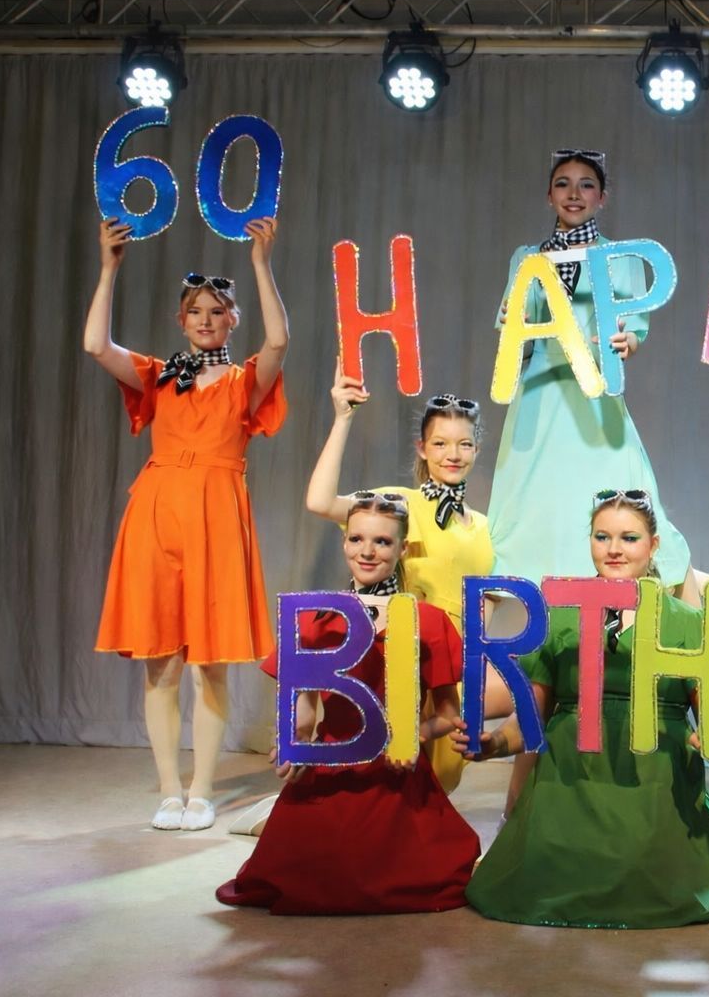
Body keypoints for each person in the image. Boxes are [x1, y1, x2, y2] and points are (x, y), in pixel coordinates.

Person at [85, 216, 288, 831]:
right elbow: (96, 346)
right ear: (181, 320)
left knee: (211, 664)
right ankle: (169, 791)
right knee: (161, 663)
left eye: (216, 311)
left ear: (232, 320)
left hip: (216, 521)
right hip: (157, 515)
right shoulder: (158, 376)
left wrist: (260, 264)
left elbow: (279, 342)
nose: (205, 319)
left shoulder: (243, 382)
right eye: (195, 311)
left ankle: (202, 792)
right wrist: (109, 268)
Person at [458, 489, 709, 928]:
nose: (614, 549)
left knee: (649, 880)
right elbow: (532, 716)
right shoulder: (557, 616)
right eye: (602, 536)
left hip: (653, 781)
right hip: (571, 777)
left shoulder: (688, 622)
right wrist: (494, 743)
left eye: (629, 538)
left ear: (654, 545)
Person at [216, 493, 479, 914]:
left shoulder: (428, 621)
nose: (367, 551)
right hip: (331, 764)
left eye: (382, 541)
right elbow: (304, 709)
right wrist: (295, 745)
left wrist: (410, 738)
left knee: (409, 878)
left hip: (395, 770)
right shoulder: (313, 619)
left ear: (402, 549)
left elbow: (449, 715)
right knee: (304, 878)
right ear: (344, 543)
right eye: (357, 539)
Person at [485, 149, 692, 592]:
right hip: (541, 391)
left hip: (595, 388)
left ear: (602, 197)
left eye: (586, 185)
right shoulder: (528, 257)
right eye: (563, 184)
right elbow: (518, 330)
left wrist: (628, 341)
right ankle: (533, 586)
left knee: (616, 483)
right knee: (533, 496)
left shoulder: (620, 257)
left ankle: (615, 576)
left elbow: (633, 325)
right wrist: (511, 319)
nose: (574, 194)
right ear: (549, 196)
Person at [298, 366, 493, 799]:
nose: (453, 454)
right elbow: (320, 501)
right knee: (395, 784)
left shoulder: (484, 525)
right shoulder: (402, 504)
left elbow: (487, 602)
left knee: (443, 776)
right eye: (440, 443)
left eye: (464, 444)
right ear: (421, 448)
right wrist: (343, 418)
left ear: (477, 449)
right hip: (411, 659)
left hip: (458, 665)